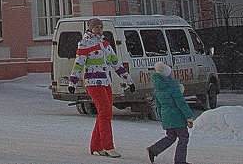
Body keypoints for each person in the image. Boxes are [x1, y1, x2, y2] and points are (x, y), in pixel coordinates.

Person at [69, 17, 134, 157]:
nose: (99, 29)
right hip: (93, 83)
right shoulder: (84, 44)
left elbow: (116, 64)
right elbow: (78, 64)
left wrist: (129, 81)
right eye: (96, 27)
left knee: (105, 113)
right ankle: (108, 146)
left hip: (106, 82)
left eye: (101, 27)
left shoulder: (105, 44)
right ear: (90, 28)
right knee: (105, 113)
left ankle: (96, 146)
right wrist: (72, 82)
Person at [146, 61, 194, 163]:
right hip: (177, 117)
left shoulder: (157, 89)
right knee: (183, 137)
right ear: (167, 75)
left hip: (166, 116)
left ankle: (153, 150)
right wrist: (189, 117)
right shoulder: (173, 88)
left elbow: (158, 106)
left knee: (170, 137)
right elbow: (181, 104)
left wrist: (162, 119)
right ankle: (179, 160)